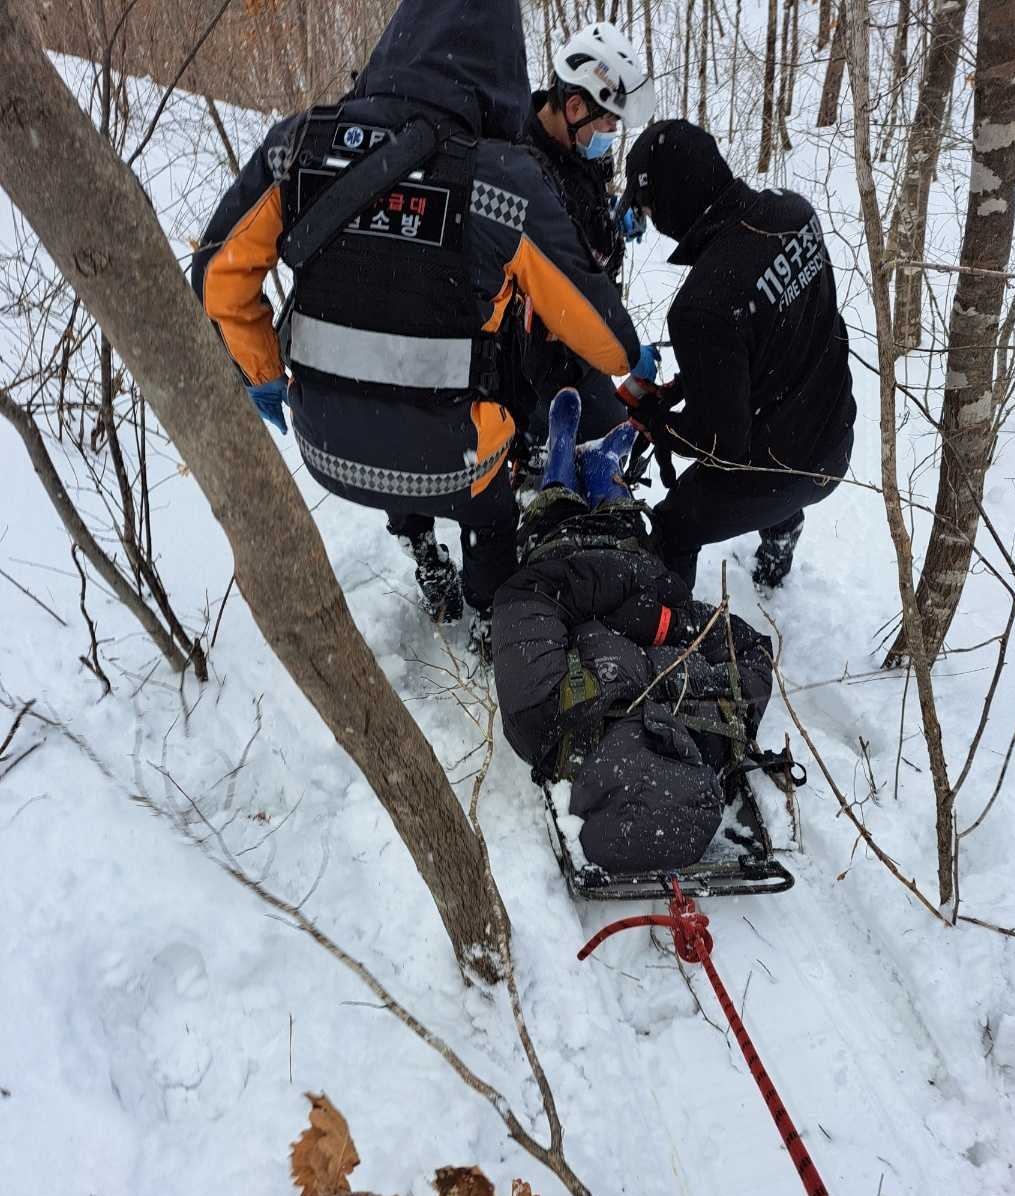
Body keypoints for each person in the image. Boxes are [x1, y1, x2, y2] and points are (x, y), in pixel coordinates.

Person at [191, 0, 643, 653]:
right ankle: (487, 617)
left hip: (323, 444)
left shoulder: (299, 145)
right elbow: (604, 338)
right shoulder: (503, 180)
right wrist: (628, 351)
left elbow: (217, 277)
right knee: (488, 508)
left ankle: (420, 548)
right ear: (502, 70)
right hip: (452, 459)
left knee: (387, 414)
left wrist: (262, 370)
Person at [493, 389, 774, 875]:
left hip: (563, 557)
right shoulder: (719, 730)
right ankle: (604, 467)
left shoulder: (543, 720)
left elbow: (527, 597)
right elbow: (749, 648)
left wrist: (617, 603)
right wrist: (670, 622)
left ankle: (561, 453)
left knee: (556, 506)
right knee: (621, 513)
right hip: (636, 563)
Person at [618, 120, 856, 589]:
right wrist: (684, 387)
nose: (651, 221)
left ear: (670, 200)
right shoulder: (793, 212)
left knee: (672, 527)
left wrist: (658, 424)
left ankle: (674, 626)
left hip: (784, 470)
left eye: (647, 208)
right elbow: (768, 338)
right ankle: (781, 533)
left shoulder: (702, 306)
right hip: (834, 434)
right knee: (776, 443)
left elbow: (721, 446)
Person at [517, 21, 656, 456]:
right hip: (543, 358)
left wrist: (611, 219)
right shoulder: (524, 170)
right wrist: (624, 349)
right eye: (609, 121)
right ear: (575, 106)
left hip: (580, 342)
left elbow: (582, 199)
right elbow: (568, 274)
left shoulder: (572, 143)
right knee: (606, 448)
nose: (611, 132)